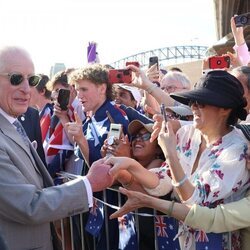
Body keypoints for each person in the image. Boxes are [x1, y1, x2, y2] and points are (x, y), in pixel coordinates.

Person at [107, 68, 250, 249]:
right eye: (193, 101)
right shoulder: (187, 133)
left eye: (202, 102)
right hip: (184, 241)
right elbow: (163, 181)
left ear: (225, 109)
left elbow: (194, 200)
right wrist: (129, 165)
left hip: (220, 244)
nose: (194, 107)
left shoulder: (238, 150)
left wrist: (170, 153)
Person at [0, 45, 114, 250]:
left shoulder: (13, 123)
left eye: (31, 80)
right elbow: (29, 205)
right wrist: (88, 184)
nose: (26, 89)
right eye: (16, 78)